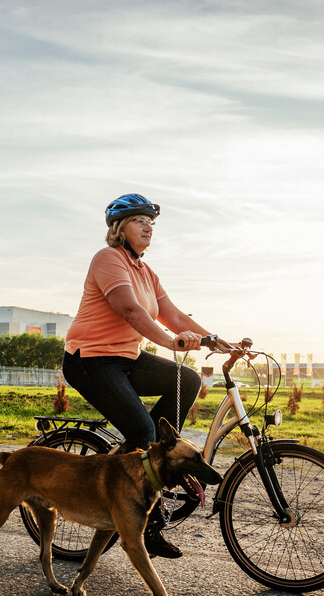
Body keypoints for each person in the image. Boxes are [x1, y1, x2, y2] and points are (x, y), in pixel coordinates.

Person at [62, 193, 219, 559]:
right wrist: (170, 341)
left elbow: (175, 316)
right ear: (119, 228)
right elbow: (130, 310)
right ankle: (147, 524)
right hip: (91, 360)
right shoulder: (107, 259)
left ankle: (155, 457)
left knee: (189, 381)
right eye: (139, 220)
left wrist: (214, 338)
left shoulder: (147, 272)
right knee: (142, 431)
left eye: (151, 221)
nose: (148, 226)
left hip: (126, 358)